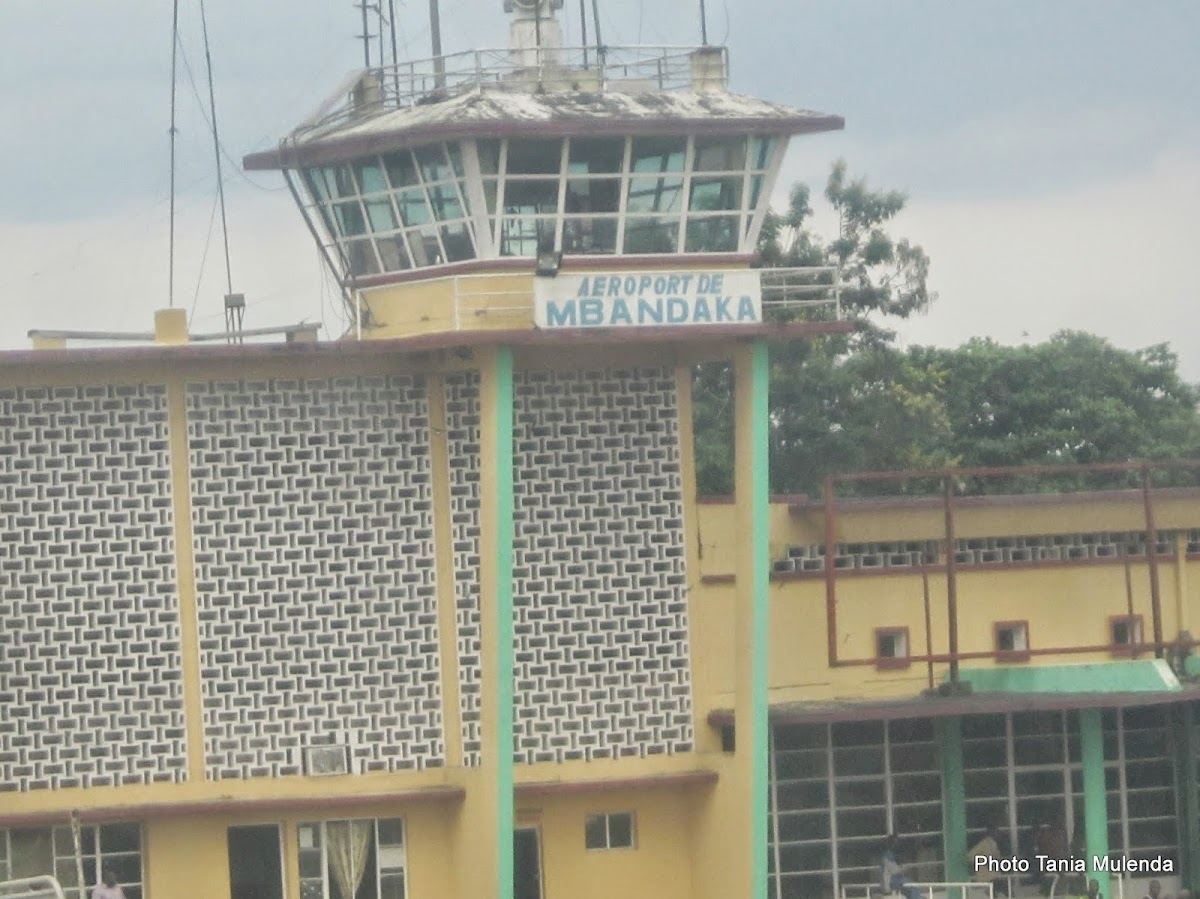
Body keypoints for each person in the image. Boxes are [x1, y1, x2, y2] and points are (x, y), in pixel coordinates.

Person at [969, 824, 1009, 896]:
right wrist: (985, 861)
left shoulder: (994, 844)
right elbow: (971, 855)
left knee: (1004, 888)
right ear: (991, 832)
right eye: (996, 832)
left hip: (993, 876)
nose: (998, 834)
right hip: (987, 877)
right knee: (1005, 888)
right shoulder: (985, 843)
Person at [881, 834, 921, 899]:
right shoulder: (888, 856)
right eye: (895, 842)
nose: (897, 844)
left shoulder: (893, 854)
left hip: (896, 880)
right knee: (912, 886)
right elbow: (895, 871)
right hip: (890, 881)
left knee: (911, 889)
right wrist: (905, 867)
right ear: (891, 843)